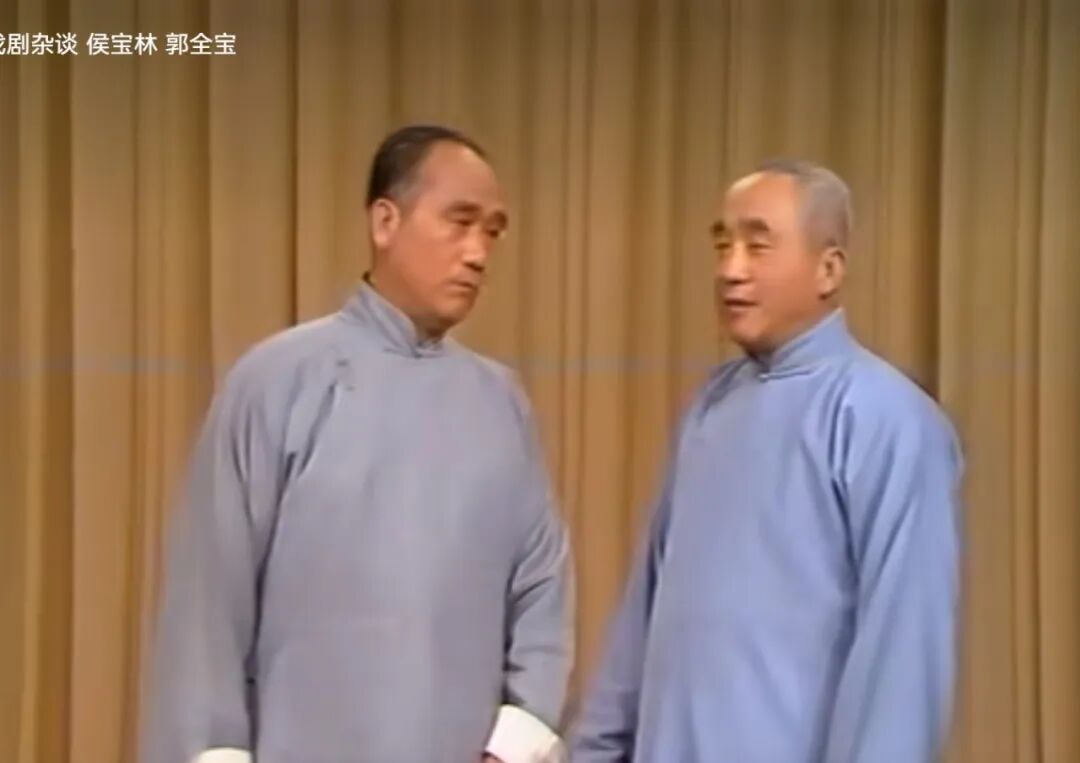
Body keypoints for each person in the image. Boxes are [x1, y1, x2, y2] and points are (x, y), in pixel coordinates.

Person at [143, 125, 573, 763]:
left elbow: (542, 584)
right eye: (460, 223)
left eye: (492, 232)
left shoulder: (501, 404)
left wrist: (515, 741)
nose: (478, 252)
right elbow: (210, 605)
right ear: (385, 221)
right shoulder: (277, 382)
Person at [571, 159, 963, 762]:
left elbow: (903, 660)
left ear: (829, 268)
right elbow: (643, 616)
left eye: (758, 246)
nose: (730, 270)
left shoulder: (887, 420)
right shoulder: (711, 406)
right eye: (722, 246)